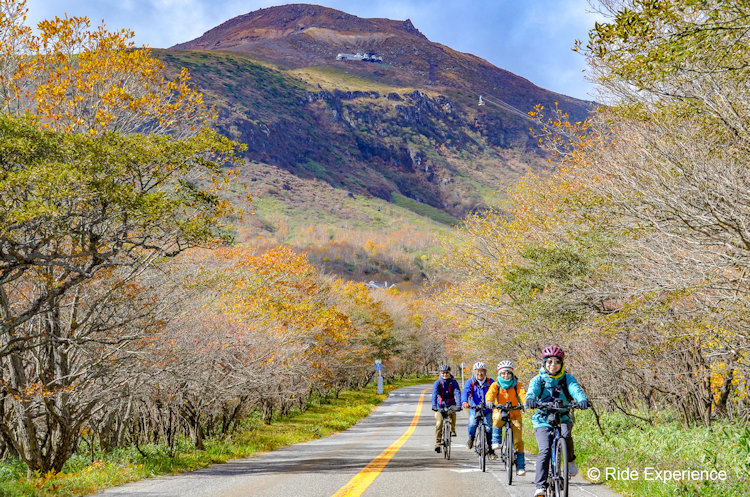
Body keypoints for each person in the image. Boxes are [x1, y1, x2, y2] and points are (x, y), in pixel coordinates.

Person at [525, 346, 591, 497]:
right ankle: (540, 486)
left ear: (561, 364)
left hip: (562, 416)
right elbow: (532, 391)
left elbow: (575, 389)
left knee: (566, 436)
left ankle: (570, 461)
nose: (552, 365)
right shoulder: (538, 380)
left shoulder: (567, 378)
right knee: (545, 450)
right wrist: (530, 400)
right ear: (544, 363)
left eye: (556, 362)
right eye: (549, 362)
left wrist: (581, 400)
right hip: (542, 419)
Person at [485, 360, 527, 476]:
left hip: (515, 414)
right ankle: (496, 440)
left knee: (518, 441)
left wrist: (526, 401)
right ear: (499, 374)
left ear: (512, 374)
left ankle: (520, 466)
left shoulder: (517, 384)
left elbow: (523, 393)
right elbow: (490, 394)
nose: (506, 375)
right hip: (500, 411)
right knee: (497, 418)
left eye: (508, 373)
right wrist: (489, 401)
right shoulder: (496, 385)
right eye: (503, 373)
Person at [461, 361, 497, 459]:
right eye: (477, 371)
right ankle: (471, 438)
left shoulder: (491, 382)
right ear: (474, 372)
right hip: (475, 408)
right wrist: (464, 401)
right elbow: (465, 392)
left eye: (482, 371)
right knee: (472, 424)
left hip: (487, 409)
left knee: (489, 428)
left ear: (485, 372)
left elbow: (497, 392)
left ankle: (490, 450)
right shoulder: (471, 382)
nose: (479, 373)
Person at [431, 364, 461, 452]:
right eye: (443, 373)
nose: (445, 375)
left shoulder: (453, 382)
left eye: (447, 373)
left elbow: (457, 393)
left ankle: (452, 430)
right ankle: (437, 441)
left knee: (453, 413)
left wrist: (459, 405)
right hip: (440, 405)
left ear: (449, 373)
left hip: (451, 403)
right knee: (439, 422)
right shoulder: (437, 383)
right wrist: (434, 406)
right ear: (440, 373)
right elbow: (434, 394)